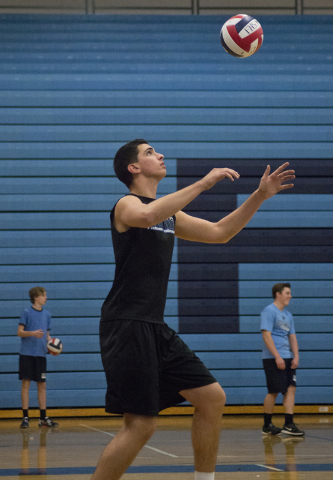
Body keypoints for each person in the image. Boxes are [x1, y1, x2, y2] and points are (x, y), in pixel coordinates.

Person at [92, 139, 295, 480]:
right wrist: (204, 181)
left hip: (154, 326)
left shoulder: (170, 214)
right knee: (141, 425)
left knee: (212, 398)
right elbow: (148, 214)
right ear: (134, 168)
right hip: (126, 324)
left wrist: (259, 195)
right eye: (149, 152)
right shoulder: (126, 205)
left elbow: (220, 233)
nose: (159, 155)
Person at [261, 283, 305, 436]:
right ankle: (267, 425)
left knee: (291, 388)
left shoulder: (288, 315)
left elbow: (292, 336)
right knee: (274, 391)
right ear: (278, 294)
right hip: (273, 358)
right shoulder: (269, 311)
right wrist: (277, 356)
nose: (290, 296)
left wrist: (296, 356)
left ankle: (288, 423)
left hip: (288, 357)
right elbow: (266, 335)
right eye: (287, 293)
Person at [17, 286, 59, 429]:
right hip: (27, 354)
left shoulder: (47, 314)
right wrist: (32, 333)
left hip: (41, 354)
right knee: (26, 384)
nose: (46, 298)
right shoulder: (26, 312)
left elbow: (47, 336)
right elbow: (20, 332)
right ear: (36, 297)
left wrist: (53, 345)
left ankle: (43, 418)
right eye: (44, 295)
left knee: (42, 385)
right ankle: (25, 417)